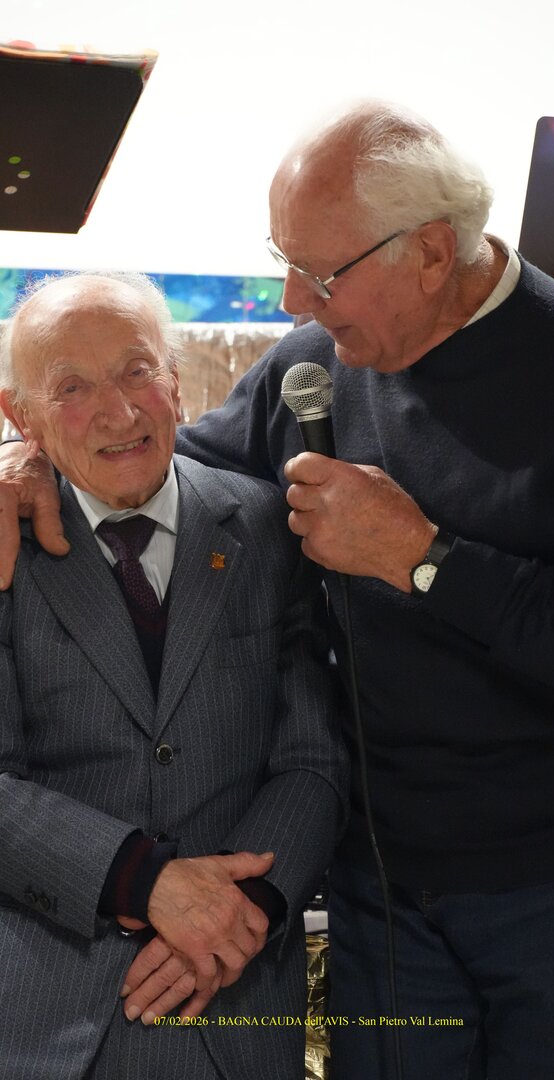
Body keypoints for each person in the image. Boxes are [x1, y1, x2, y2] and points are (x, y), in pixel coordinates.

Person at [1, 102, 554, 1080]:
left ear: (431, 252)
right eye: (283, 263)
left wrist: (424, 560)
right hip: (377, 893)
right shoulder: (313, 364)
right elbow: (159, 471)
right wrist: (27, 459)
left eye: (320, 275)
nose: (290, 301)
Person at [0, 271, 347, 1080]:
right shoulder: (5, 547)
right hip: (47, 1018)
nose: (120, 412)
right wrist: (143, 881)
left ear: (176, 382)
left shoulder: (270, 527)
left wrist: (242, 911)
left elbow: (313, 757)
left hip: (234, 999)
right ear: (21, 416)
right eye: (73, 388)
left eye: (137, 371)